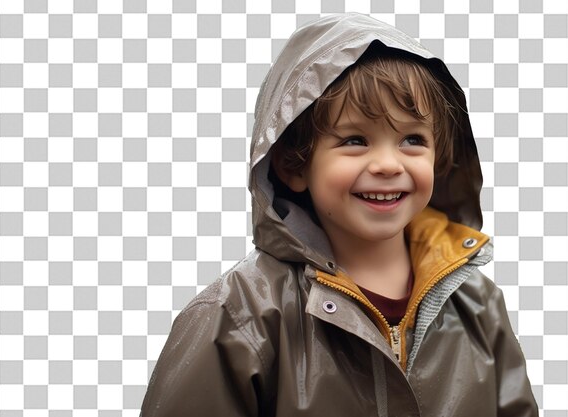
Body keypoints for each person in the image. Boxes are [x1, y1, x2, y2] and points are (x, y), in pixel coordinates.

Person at [140, 13, 538, 416]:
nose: (387, 164)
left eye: (412, 139)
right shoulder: (239, 317)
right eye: (355, 140)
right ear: (293, 165)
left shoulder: (478, 305)